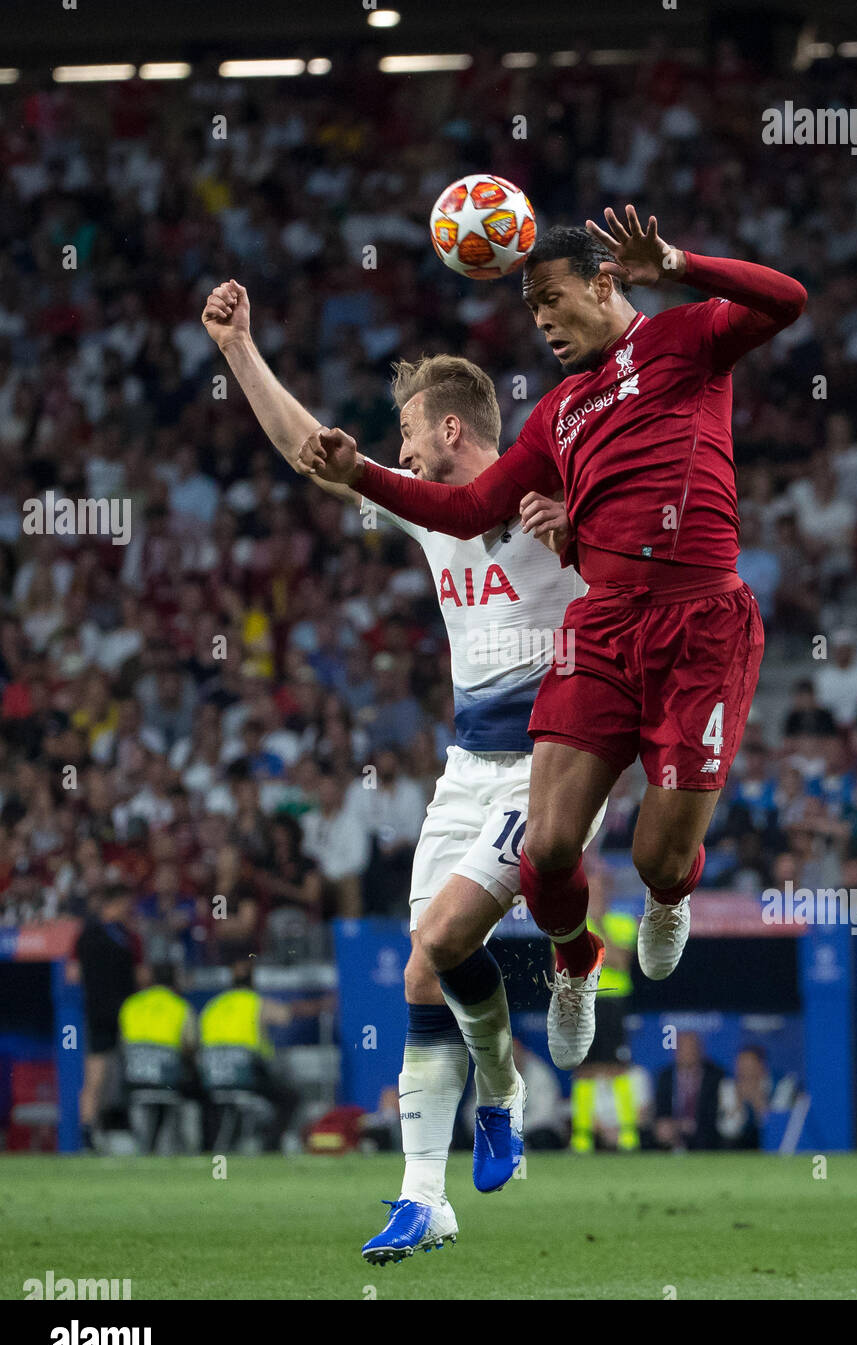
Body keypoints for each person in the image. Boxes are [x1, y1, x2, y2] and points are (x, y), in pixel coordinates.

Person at [305, 209, 806, 1075]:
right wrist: (361, 474)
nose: (537, 319)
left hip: (701, 623)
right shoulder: (557, 413)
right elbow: (467, 510)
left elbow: (786, 300)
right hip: (603, 626)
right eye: (528, 306)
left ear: (605, 284)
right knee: (544, 849)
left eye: (549, 298)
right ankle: (576, 960)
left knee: (656, 853)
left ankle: (667, 892)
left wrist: (681, 262)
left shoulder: (683, 344)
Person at [202, 286, 605, 1262]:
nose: (401, 449)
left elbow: (646, 530)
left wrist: (583, 530)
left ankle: (541, 1019)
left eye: (408, 432)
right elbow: (313, 453)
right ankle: (428, 1191)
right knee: (426, 963)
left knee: (439, 933)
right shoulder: (432, 514)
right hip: (469, 763)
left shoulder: (556, 494)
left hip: (554, 765)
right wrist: (240, 349)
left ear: (452, 426)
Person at [197, 956, 321, 1151]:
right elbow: (285, 1016)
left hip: (212, 1079)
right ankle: (270, 1144)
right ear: (253, 982)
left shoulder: (212, 1006)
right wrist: (318, 1006)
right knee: (289, 1098)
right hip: (245, 1077)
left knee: (215, 1103)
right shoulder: (254, 1002)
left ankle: (208, 1146)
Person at [568, 861, 639, 1153]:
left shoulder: (623, 922)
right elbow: (565, 971)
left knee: (616, 1067)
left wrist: (599, 926)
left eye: (600, 890)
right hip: (583, 1001)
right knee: (584, 1069)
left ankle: (628, 1135)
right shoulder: (570, 927)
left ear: (608, 892)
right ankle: (581, 1138)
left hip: (613, 1002)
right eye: (590, 891)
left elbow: (622, 963)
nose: (595, 895)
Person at [69, 882, 144, 1151]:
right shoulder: (128, 937)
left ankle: (89, 1132)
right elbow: (141, 976)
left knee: (96, 1076)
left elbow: (72, 974)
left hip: (97, 1012)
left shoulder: (86, 935)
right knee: (128, 1074)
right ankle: (121, 1129)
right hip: (126, 1016)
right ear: (120, 902)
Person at [118, 962, 201, 1151]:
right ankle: (191, 1147)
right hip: (168, 1082)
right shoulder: (180, 1007)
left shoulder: (131, 1005)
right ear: (175, 981)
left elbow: (123, 1045)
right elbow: (190, 1045)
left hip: (134, 1081)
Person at [653, 1031, 725, 1151]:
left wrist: (690, 1125)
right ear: (675, 1052)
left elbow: (715, 1112)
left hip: (704, 1132)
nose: (687, 1053)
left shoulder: (715, 1076)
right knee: (661, 1130)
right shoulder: (665, 1076)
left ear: (700, 1050)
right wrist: (673, 1125)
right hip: (672, 1131)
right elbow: (661, 1109)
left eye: (691, 1048)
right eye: (682, 1048)